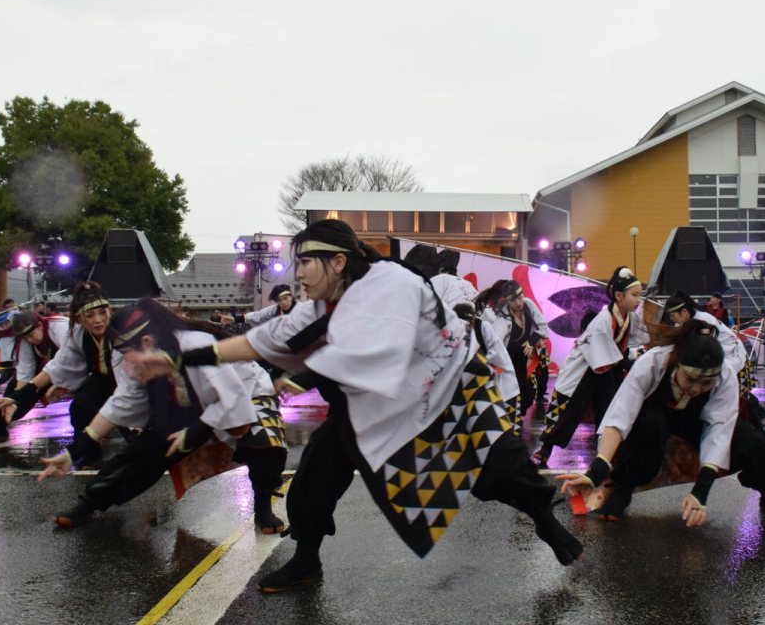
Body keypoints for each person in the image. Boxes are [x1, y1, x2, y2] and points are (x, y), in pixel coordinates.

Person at [125, 219, 583, 592]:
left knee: (499, 467)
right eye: (296, 263)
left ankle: (544, 519)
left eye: (306, 262)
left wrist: (303, 372)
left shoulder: (392, 284)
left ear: (338, 261)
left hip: (440, 394)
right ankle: (306, 561)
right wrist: (176, 358)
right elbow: (258, 342)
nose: (298, 273)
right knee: (314, 477)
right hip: (367, 404)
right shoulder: (316, 305)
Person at [36, 299, 289, 532]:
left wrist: (195, 434)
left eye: (126, 355)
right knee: (145, 452)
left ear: (147, 342)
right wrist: (72, 453)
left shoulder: (197, 344)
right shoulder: (133, 355)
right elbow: (119, 405)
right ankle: (90, 503)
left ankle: (263, 508)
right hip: (189, 407)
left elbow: (233, 399)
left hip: (247, 394)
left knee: (264, 442)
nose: (124, 363)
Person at [561, 320, 765, 523]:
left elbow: (719, 431)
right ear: (678, 363)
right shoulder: (653, 362)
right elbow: (620, 417)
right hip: (655, 418)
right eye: (690, 379)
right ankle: (623, 490)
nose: (696, 388)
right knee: (650, 423)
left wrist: (700, 493)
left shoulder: (724, 375)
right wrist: (595, 474)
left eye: (705, 383)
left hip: (695, 422)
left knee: (753, 441)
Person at [533, 266, 648, 467]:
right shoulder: (603, 320)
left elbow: (642, 337)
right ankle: (545, 448)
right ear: (619, 295)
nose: (638, 300)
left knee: (609, 410)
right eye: (634, 295)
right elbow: (606, 353)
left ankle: (604, 454)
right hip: (586, 370)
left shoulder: (631, 317)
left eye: (640, 295)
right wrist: (630, 365)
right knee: (567, 409)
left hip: (607, 369)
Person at [0, 283, 128, 449]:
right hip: (99, 380)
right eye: (90, 315)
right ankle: (88, 453)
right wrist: (16, 397)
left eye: (102, 313)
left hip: (128, 384)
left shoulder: (121, 331)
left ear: (109, 311)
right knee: (79, 407)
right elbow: (56, 367)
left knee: (130, 425)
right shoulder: (77, 334)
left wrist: (60, 384)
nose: (98, 320)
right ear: (80, 319)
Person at [0, 310, 70, 441]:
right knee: (14, 387)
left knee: (82, 402)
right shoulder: (27, 342)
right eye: (25, 338)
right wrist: (14, 399)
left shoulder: (60, 328)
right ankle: (0, 426)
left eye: (31, 335)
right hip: (49, 372)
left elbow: (68, 361)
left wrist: (58, 385)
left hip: (77, 369)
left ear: (40, 326)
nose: (29, 340)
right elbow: (25, 374)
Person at [478, 279, 551, 415]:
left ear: (523, 294)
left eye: (519, 298)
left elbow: (542, 326)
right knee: (512, 390)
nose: (518, 303)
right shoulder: (503, 315)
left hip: (527, 354)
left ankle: (518, 417)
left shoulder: (528, 304)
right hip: (510, 356)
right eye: (513, 301)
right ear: (507, 300)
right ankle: (512, 422)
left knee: (529, 392)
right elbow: (497, 340)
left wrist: (531, 341)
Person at [454, 301, 523, 434]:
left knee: (506, 419)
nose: (465, 326)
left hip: (500, 373)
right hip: (479, 377)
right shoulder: (455, 332)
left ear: (473, 319)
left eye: (468, 322)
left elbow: (496, 352)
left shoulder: (483, 327)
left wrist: (476, 363)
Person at [0, 299, 18, 384]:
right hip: (6, 333)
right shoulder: (5, 312)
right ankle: (7, 362)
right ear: (7, 303)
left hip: (7, 333)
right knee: (7, 349)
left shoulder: (8, 311)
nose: (12, 304)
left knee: (6, 349)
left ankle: (6, 362)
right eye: (11, 303)